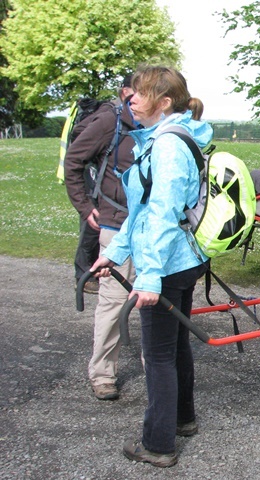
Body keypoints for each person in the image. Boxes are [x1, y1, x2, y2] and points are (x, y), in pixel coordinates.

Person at [91, 65, 213, 468]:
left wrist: (148, 276)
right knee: (175, 347)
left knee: (158, 355)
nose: (131, 98)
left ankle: (158, 444)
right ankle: (184, 420)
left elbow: (162, 214)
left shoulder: (167, 146)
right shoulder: (161, 139)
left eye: (140, 93)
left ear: (164, 103)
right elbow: (140, 211)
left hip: (168, 264)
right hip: (175, 261)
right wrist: (114, 252)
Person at [65, 75, 137, 401]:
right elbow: (74, 160)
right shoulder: (108, 121)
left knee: (156, 302)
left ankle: (161, 368)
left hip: (153, 229)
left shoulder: (159, 124)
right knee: (113, 301)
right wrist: (84, 206)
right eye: (138, 93)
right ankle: (103, 373)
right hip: (115, 224)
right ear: (124, 93)